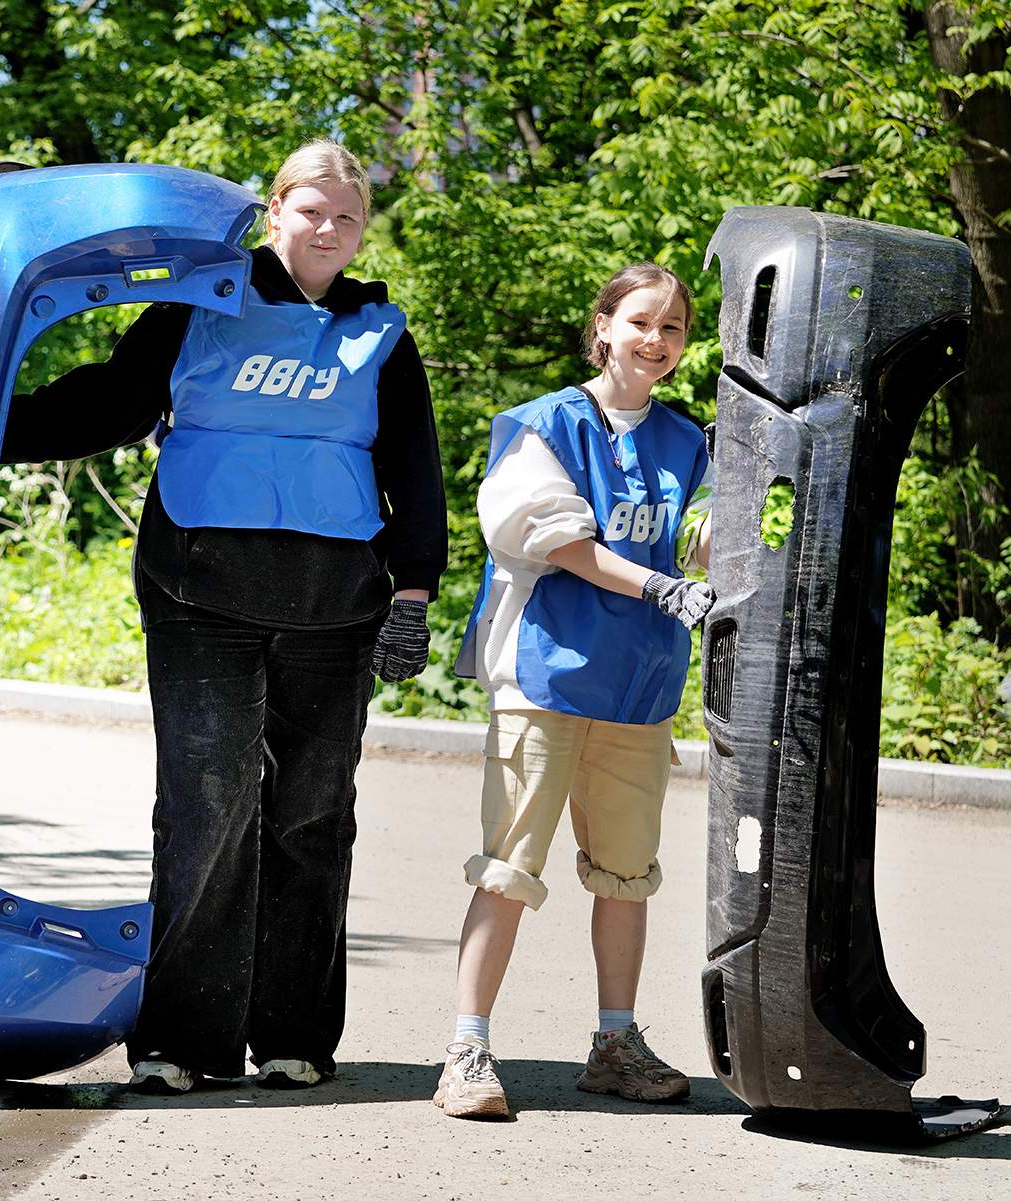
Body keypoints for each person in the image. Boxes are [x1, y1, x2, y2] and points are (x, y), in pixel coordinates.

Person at [1, 141, 447, 1094]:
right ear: (275, 211)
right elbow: (109, 404)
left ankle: (293, 1036)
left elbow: (415, 468)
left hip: (335, 607)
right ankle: (182, 1042)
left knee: (312, 818)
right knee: (205, 812)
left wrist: (413, 594)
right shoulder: (198, 303)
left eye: (347, 218)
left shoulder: (382, 333)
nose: (328, 230)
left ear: (362, 232)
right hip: (199, 595)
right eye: (312, 210)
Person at [434, 263, 715, 1119]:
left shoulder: (688, 440)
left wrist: (735, 508)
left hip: (640, 688)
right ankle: (467, 1051)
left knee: (626, 875)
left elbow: (700, 538)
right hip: (547, 676)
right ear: (602, 326)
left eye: (672, 328)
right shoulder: (545, 425)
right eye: (640, 321)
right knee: (508, 868)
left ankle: (615, 1045)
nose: (655, 340)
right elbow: (553, 539)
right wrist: (659, 585)